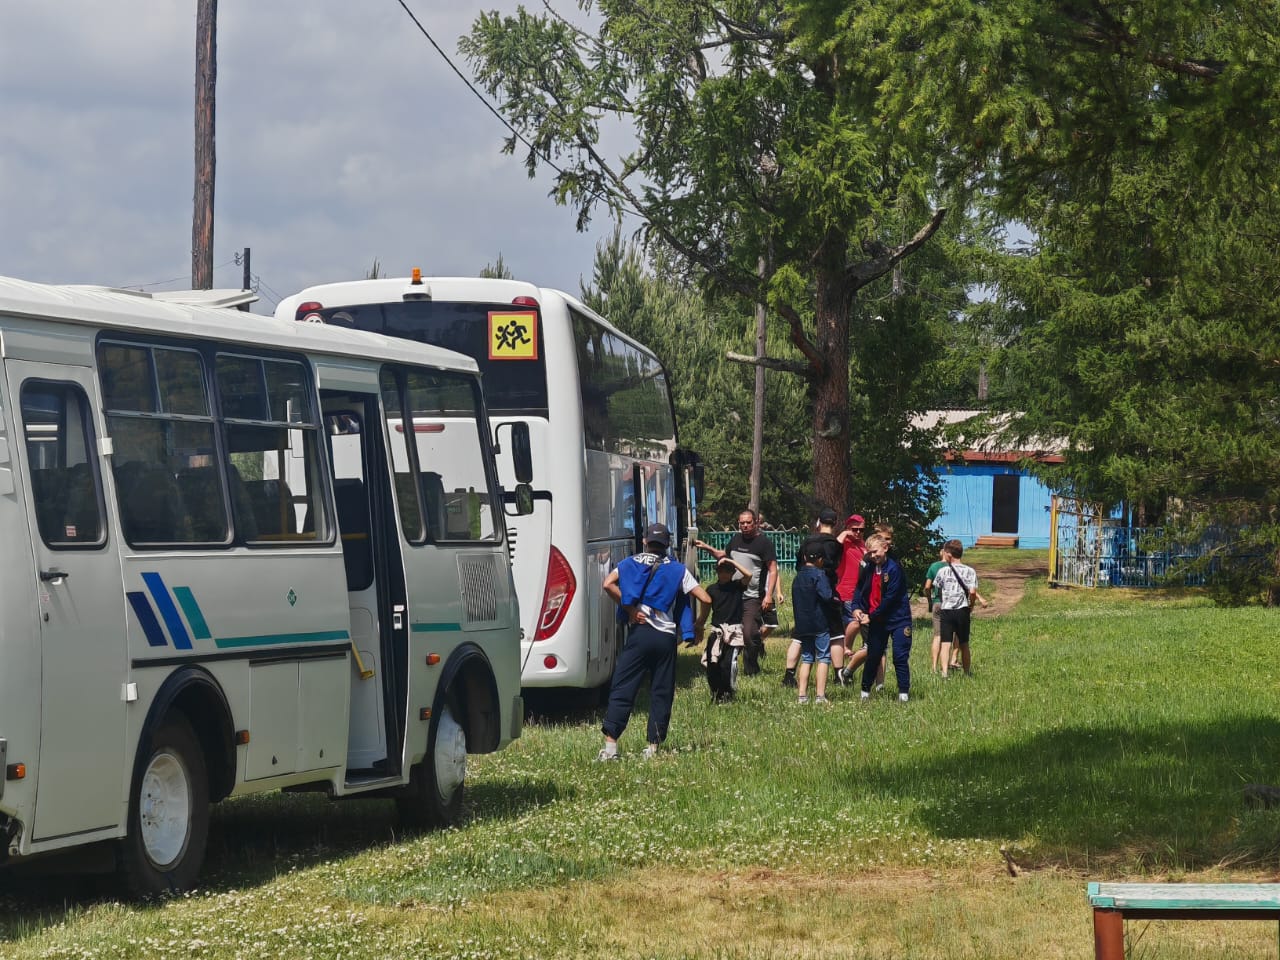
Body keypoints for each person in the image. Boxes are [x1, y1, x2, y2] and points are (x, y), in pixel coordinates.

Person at [598, 523, 712, 760]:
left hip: (640, 634)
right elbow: (706, 599)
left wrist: (630, 609)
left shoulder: (629, 562)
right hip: (666, 638)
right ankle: (652, 748)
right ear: (668, 544)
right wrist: (699, 624)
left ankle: (610, 749)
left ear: (645, 541)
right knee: (661, 691)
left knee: (624, 686)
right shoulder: (678, 569)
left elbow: (608, 584)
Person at [694, 508, 778, 676]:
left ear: (756, 523)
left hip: (752, 596)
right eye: (742, 523)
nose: (745, 525)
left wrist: (769, 595)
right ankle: (722, 663)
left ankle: (751, 669)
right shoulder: (735, 539)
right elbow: (724, 557)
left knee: (749, 633)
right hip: (733, 594)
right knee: (723, 630)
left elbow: (773, 570)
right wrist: (706, 547)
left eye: (748, 522)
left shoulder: (764, 543)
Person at [783, 507, 844, 688]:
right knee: (836, 634)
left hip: (804, 591)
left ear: (819, 521)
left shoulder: (807, 541)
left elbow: (798, 565)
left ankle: (789, 674)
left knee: (799, 635)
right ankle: (839, 674)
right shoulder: (834, 544)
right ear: (835, 522)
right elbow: (834, 567)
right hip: (826, 591)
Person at [851, 532, 913, 702]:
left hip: (898, 619)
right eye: (869, 552)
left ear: (885, 548)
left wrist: (871, 616)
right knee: (873, 655)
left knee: (899, 656)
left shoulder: (894, 569)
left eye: (875, 552)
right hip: (877, 620)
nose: (873, 556)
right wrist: (856, 607)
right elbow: (859, 588)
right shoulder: (868, 568)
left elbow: (890, 599)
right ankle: (865, 692)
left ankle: (903, 694)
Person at [695, 556, 751, 702]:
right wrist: (699, 625)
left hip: (733, 633)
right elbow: (705, 611)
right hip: (717, 631)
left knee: (728, 664)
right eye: (721, 571)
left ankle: (728, 692)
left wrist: (731, 561)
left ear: (733, 572)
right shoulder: (711, 589)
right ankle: (716, 693)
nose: (724, 574)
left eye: (728, 571)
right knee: (712, 665)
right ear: (717, 572)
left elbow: (749, 575)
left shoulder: (737, 586)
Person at [934, 539, 988, 678]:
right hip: (962, 610)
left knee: (945, 643)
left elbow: (938, 589)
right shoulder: (970, 571)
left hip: (946, 610)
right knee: (964, 643)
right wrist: (971, 605)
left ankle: (944, 673)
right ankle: (967, 672)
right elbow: (972, 592)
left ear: (949, 554)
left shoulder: (942, 571)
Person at [791, 541, 836, 704]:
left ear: (804, 557)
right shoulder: (819, 575)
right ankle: (820, 695)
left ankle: (802, 695)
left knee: (807, 657)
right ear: (820, 559)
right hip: (819, 622)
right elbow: (826, 596)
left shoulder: (798, 577)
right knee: (823, 657)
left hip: (802, 623)